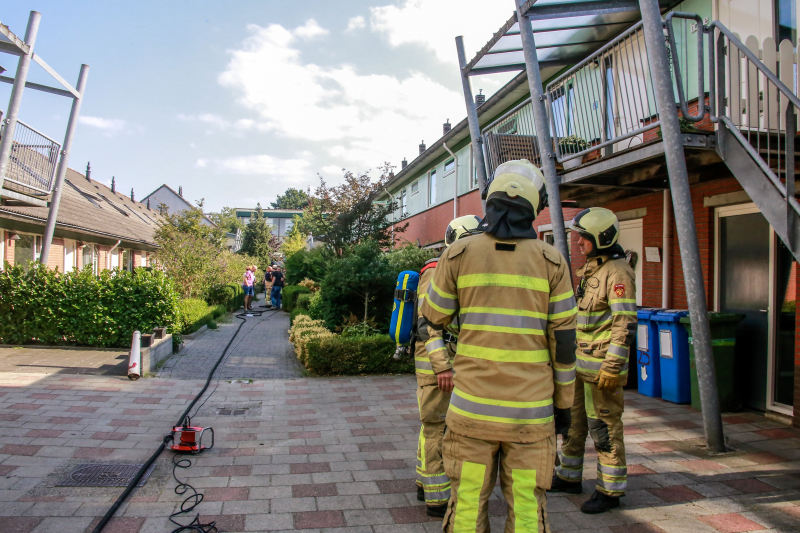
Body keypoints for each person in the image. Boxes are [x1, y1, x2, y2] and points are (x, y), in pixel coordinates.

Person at [421, 159, 577, 531]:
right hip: (532, 414)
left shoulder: (458, 255)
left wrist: (442, 364)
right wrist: (564, 407)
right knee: (525, 509)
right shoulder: (552, 261)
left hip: (471, 413)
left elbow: (431, 322)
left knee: (468, 508)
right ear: (533, 208)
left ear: (489, 200)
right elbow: (566, 345)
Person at [549, 207, 637, 515]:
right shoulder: (593, 269)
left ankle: (609, 491)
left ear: (601, 238)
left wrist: (613, 367)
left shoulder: (617, 272)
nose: (579, 243)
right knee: (573, 426)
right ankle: (569, 477)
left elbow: (624, 322)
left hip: (602, 370)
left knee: (604, 428)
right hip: (580, 367)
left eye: (584, 238)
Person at [414, 214, 483, 518]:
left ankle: (424, 481)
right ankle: (437, 499)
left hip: (445, 360)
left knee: (432, 424)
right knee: (436, 427)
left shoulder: (460, 269)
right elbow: (428, 322)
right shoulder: (436, 271)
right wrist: (442, 365)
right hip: (434, 363)